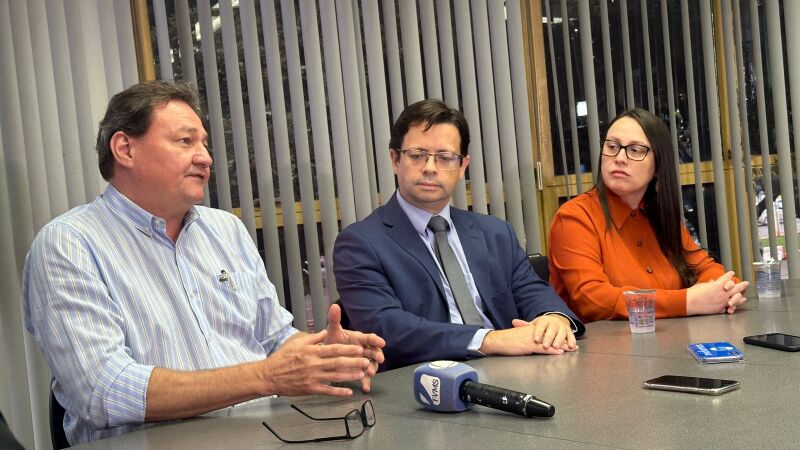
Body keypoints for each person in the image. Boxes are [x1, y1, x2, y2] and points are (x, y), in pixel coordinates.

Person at [22, 80, 385, 445]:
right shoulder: (69, 244)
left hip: (267, 436)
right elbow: (104, 389)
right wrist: (266, 377)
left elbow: (274, 339)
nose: (206, 157)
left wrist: (326, 355)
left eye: (204, 143)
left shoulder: (224, 229)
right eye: (185, 141)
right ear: (124, 149)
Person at [333, 99, 584, 371]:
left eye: (445, 157)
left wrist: (553, 319)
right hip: (426, 387)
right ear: (395, 160)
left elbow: (533, 291)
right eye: (417, 155)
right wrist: (489, 340)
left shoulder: (495, 233)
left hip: (516, 374)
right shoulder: (360, 243)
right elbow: (387, 329)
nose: (430, 167)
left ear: (463, 166)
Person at [547, 108, 749, 323]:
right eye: (612, 146)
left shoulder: (658, 215)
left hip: (670, 343)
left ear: (658, 165)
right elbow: (593, 300)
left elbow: (707, 268)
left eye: (635, 150)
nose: (620, 158)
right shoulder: (574, 217)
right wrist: (689, 301)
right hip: (603, 351)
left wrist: (724, 291)